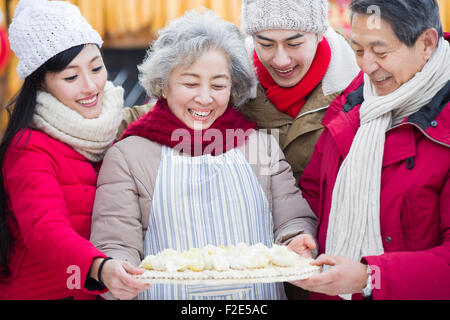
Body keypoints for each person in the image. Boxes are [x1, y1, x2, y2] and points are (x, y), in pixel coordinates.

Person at [90, 9, 318, 300]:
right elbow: (116, 242)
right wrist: (116, 271)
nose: (205, 97)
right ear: (163, 85)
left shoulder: (260, 146)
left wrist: (297, 240)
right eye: (190, 83)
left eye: (219, 85)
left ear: (233, 87)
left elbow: (292, 219)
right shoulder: (129, 155)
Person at [295, 0, 450, 300]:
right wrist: (300, 237)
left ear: (427, 43)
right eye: (358, 50)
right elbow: (314, 194)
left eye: (381, 52)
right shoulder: (354, 101)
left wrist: (371, 277)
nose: (366, 66)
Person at [0, 0, 148, 300]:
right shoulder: (28, 150)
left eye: (96, 68)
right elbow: (45, 229)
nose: (91, 86)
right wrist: (99, 268)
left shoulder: (109, 131)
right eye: (71, 77)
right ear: (41, 83)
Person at [238, 0, 360, 182]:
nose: (281, 61)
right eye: (266, 45)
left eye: (294, 44)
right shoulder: (231, 89)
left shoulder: (358, 91)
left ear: (319, 34)